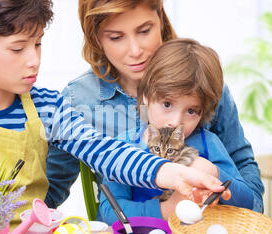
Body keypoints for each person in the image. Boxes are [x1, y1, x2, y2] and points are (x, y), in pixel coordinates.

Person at [0, 0, 225, 227]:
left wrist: (173, 173)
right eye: (17, 48)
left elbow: (103, 151)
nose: (34, 60)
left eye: (37, 44)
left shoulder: (51, 108)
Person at [45, 0, 264, 215]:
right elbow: (49, 193)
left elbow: (244, 180)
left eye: (144, 30)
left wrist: (241, 218)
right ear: (95, 36)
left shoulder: (200, 80)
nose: (135, 51)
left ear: (160, 15)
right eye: (116, 37)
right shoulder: (79, 101)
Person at [100, 38, 257, 224]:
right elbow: (109, 212)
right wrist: (166, 210)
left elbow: (248, 203)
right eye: (167, 104)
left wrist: (214, 173)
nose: (175, 122)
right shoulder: (124, 147)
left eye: (191, 111)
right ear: (146, 97)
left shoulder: (209, 144)